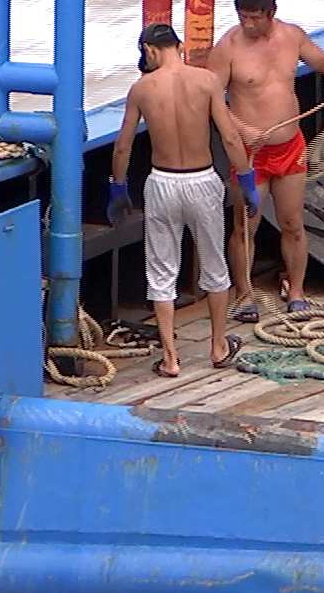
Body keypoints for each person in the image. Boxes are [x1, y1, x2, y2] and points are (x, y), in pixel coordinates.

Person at [204, 0, 324, 318]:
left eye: (255, 17)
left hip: (290, 147)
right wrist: (242, 128)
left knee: (293, 222)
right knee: (245, 226)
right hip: (250, 156)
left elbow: (323, 62)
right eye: (242, 16)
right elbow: (212, 102)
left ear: (271, 11)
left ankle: (296, 291)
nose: (248, 24)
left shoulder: (291, 36)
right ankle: (244, 295)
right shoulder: (227, 48)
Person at [109, 23, 259, 377]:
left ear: (149, 49)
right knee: (214, 267)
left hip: (162, 182)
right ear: (179, 46)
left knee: (162, 272)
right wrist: (247, 180)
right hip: (203, 180)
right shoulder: (206, 81)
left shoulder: (142, 89)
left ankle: (171, 358)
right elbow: (230, 136)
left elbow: (123, 146)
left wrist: (117, 187)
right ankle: (219, 347)